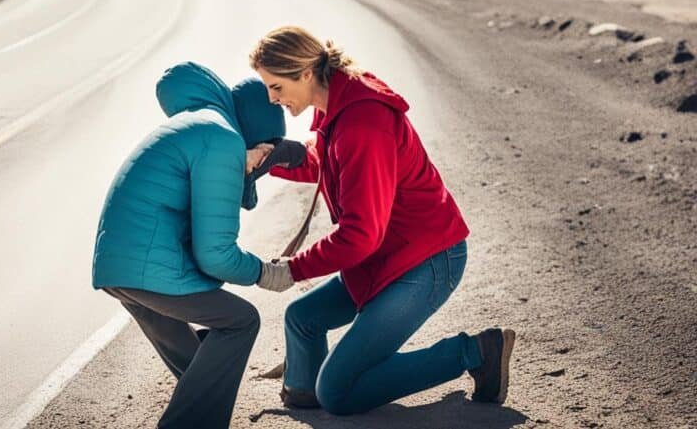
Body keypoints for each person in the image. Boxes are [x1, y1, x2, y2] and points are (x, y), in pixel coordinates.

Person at [248, 26, 516, 415]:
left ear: (305, 74)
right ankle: (305, 395)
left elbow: (359, 236)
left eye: (276, 87)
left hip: (426, 261)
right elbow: (329, 162)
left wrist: (293, 270)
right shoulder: (337, 102)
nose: (273, 100)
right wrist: (271, 159)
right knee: (301, 318)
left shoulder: (362, 123)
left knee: (338, 391)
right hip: (386, 256)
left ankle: (475, 352)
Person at [91, 61, 299, 429]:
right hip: (148, 265)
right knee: (240, 321)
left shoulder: (201, 124)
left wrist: (248, 166)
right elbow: (216, 254)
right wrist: (267, 273)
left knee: (201, 367)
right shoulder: (222, 140)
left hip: (117, 265)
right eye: (265, 150)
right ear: (255, 133)